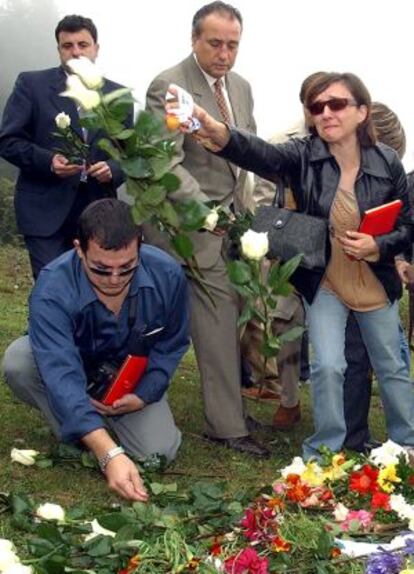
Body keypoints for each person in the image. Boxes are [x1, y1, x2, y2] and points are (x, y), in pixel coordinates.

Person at [172, 72, 414, 459]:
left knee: (392, 366)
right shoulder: (304, 156)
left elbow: (407, 225)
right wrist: (218, 132)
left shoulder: (386, 162)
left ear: (362, 111)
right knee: (328, 367)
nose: (326, 113)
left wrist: (378, 244)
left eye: (337, 104)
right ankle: (324, 451)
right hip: (326, 282)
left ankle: (407, 446)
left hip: (374, 281)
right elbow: (259, 153)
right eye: (318, 107)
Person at [2, 198, 189, 500]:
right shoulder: (52, 287)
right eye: (101, 270)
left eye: (127, 268)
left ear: (139, 246)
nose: (115, 280)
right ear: (79, 249)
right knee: (19, 360)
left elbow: (172, 344)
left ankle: (97, 428)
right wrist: (107, 454)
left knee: (159, 453)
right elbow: (60, 371)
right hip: (73, 369)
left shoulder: (168, 275)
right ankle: (85, 431)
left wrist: (144, 395)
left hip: (132, 378)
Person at [145, 2, 268, 457]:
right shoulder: (171, 86)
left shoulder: (242, 87)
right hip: (193, 224)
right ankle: (226, 426)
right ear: (194, 39)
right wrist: (205, 213)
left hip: (236, 223)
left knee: (237, 311)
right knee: (215, 319)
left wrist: (250, 212)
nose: (224, 53)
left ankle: (230, 406)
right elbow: (165, 160)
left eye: (232, 44)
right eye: (215, 43)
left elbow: (247, 152)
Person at [0, 15, 132, 279]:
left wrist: (114, 169)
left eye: (83, 44)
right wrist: (48, 162)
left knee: (93, 289)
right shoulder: (31, 85)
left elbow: (130, 154)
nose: (76, 52)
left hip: (98, 211)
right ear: (59, 49)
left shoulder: (119, 96)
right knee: (52, 287)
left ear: (96, 48)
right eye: (67, 45)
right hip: (44, 211)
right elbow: (8, 141)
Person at [241, 72, 326, 430]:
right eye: (315, 104)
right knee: (285, 322)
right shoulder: (282, 142)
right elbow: (262, 200)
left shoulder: (347, 140)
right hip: (290, 250)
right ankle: (289, 400)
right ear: (304, 104)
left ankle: (332, 403)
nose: (322, 112)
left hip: (335, 251)